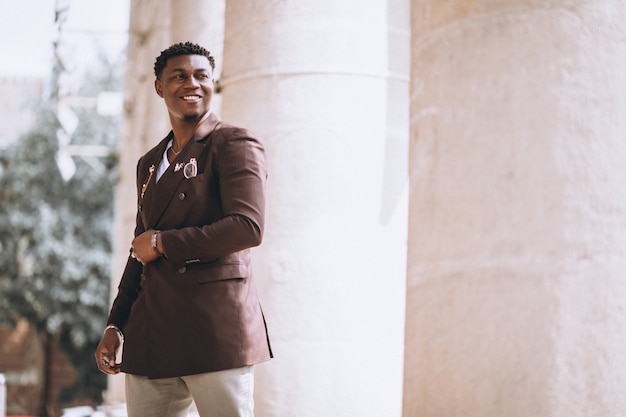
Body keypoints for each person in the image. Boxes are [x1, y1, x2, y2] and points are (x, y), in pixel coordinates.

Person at [94, 42, 272, 417]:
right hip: (152, 335)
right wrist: (116, 324)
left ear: (212, 83)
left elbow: (247, 227)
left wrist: (163, 242)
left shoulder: (234, 143)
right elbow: (137, 250)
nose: (192, 83)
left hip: (216, 331)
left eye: (201, 75)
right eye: (179, 76)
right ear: (160, 87)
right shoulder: (148, 163)